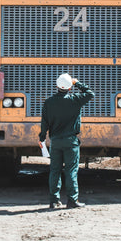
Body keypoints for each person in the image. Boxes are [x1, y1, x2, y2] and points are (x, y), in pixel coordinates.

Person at [38, 73, 94, 209]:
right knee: (71, 171)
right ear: (69, 88)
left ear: (57, 86)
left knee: (55, 171)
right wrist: (77, 83)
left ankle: (54, 201)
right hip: (71, 142)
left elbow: (44, 123)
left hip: (55, 141)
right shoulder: (75, 100)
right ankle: (72, 201)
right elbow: (90, 93)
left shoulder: (48, 102)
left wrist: (41, 139)